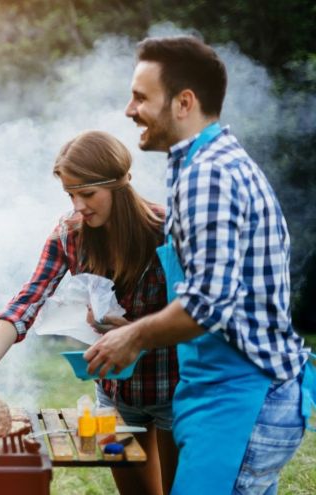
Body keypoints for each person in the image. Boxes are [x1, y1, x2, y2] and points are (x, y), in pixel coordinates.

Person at [85, 35, 315, 494]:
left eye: (141, 97)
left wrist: (133, 337)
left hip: (243, 397)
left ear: (184, 102)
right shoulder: (201, 165)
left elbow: (209, 302)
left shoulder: (208, 174)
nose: (130, 110)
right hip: (225, 395)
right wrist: (135, 323)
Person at [0, 130, 179, 495]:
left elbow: (194, 314)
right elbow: (28, 300)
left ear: (119, 184)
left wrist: (134, 330)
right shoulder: (70, 233)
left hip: (173, 388)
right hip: (114, 396)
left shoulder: (167, 231)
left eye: (87, 194)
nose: (78, 206)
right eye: (70, 195)